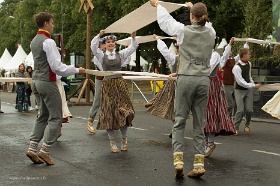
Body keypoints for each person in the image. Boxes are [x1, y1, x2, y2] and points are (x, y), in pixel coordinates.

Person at [150, 0, 215, 178]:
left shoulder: (183, 31)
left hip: (186, 77)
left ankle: (178, 161)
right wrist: (191, 7)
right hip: (203, 79)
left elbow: (166, 22)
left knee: (179, 121)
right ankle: (199, 163)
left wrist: (158, 5)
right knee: (199, 123)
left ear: (191, 17)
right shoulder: (211, 32)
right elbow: (207, 23)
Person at [25, 12, 85, 165]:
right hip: (47, 82)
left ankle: (32, 148)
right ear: (45, 23)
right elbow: (57, 67)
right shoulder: (48, 42)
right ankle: (45, 150)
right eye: (52, 22)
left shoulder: (34, 41)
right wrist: (77, 70)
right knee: (56, 117)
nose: (53, 25)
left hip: (36, 81)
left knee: (42, 115)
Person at [91, 30, 138, 153]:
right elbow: (93, 47)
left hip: (119, 84)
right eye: (108, 42)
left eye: (112, 42)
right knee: (108, 113)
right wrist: (99, 35)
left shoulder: (121, 54)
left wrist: (133, 37)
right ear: (105, 44)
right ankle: (112, 142)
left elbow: (133, 47)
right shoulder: (101, 56)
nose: (111, 44)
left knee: (124, 111)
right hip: (107, 85)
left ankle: (124, 139)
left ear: (115, 44)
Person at [203, 37, 236, 158]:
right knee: (202, 114)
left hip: (211, 87)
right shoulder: (203, 54)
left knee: (210, 114)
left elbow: (208, 69)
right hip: (204, 85)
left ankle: (210, 143)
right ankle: (207, 142)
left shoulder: (214, 55)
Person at [232, 46, 261, 136]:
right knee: (240, 110)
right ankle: (235, 126)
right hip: (239, 90)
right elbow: (240, 82)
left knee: (249, 110)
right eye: (249, 54)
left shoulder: (249, 63)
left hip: (248, 90)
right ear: (244, 55)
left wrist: (253, 83)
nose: (250, 55)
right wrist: (252, 85)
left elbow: (249, 76)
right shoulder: (236, 68)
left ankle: (247, 124)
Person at [221, 40, 249, 117]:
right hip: (227, 84)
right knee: (229, 104)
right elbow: (225, 55)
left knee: (235, 103)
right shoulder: (223, 60)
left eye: (231, 50)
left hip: (233, 84)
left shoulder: (233, 60)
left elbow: (239, 56)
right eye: (229, 50)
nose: (230, 52)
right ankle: (226, 118)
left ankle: (230, 118)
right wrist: (230, 44)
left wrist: (246, 45)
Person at [87, 37, 106, 134]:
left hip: (109, 79)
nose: (105, 45)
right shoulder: (98, 54)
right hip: (101, 78)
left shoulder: (109, 53)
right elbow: (93, 46)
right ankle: (90, 122)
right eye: (103, 44)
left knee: (110, 101)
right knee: (97, 100)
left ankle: (109, 122)